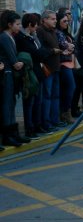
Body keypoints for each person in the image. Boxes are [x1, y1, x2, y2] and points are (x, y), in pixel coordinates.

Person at [0, 10, 29, 146]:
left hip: (9, 74)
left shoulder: (10, 37)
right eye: (17, 24)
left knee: (11, 103)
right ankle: (8, 135)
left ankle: (14, 133)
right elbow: (14, 61)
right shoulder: (5, 37)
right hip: (6, 74)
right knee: (7, 104)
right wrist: (23, 62)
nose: (19, 26)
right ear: (9, 24)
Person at [15, 13, 46, 137]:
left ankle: (37, 125)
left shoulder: (33, 36)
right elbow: (36, 53)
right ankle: (29, 128)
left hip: (38, 72)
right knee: (30, 102)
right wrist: (40, 52)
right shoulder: (22, 38)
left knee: (38, 101)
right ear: (30, 25)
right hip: (29, 74)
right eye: (36, 24)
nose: (37, 27)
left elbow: (41, 50)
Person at [37, 10, 68, 132]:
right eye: (52, 19)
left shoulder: (53, 31)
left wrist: (61, 50)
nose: (55, 21)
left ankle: (55, 120)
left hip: (56, 67)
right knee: (47, 96)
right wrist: (53, 51)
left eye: (55, 19)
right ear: (44, 20)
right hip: (47, 69)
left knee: (55, 95)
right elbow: (41, 50)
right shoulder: (40, 31)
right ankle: (47, 122)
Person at [56, 11, 77, 124]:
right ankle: (65, 113)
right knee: (70, 88)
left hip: (70, 63)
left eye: (67, 21)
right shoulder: (58, 32)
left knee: (69, 89)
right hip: (63, 64)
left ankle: (66, 113)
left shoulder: (66, 33)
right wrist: (69, 46)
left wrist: (70, 47)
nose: (66, 23)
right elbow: (64, 45)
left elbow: (73, 46)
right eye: (64, 21)